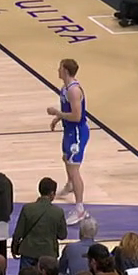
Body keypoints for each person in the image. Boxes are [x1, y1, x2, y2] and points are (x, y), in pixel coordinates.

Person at [48, 58, 90, 224]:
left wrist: (57, 113)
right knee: (66, 158)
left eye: (60, 68)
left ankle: (80, 209)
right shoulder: (64, 88)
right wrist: (57, 118)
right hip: (69, 131)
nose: (57, 70)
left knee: (74, 169)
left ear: (65, 70)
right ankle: (70, 185)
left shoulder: (74, 90)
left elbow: (77, 116)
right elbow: (67, 110)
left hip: (77, 132)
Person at [12, 178, 68, 267]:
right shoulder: (58, 212)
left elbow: (18, 233)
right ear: (52, 193)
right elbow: (62, 235)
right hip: (48, 253)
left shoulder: (27, 208)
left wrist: (14, 248)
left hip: (28, 252)